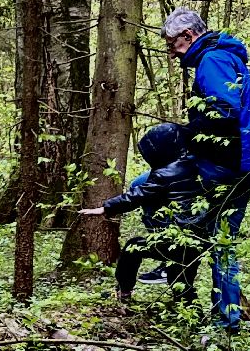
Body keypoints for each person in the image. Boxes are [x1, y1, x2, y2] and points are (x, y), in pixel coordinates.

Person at [157, 6, 250, 330]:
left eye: (173, 44)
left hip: (230, 167)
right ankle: (226, 317)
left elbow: (223, 111)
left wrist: (186, 134)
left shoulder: (213, 60)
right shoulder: (220, 57)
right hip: (241, 164)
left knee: (192, 224)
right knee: (221, 240)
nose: (172, 53)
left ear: (189, 36)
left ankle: (216, 313)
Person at [80, 123, 212, 304]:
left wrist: (106, 207)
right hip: (198, 240)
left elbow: (138, 195)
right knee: (181, 280)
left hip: (176, 240)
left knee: (132, 248)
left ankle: (123, 293)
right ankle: (192, 318)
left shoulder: (165, 174)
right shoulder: (199, 166)